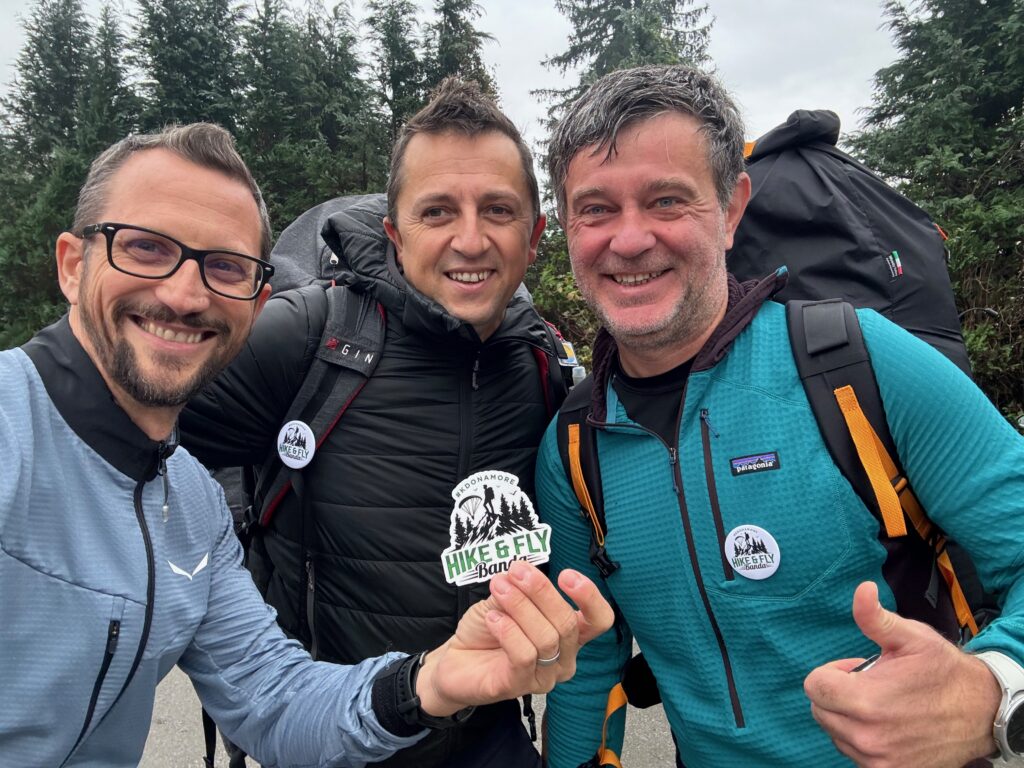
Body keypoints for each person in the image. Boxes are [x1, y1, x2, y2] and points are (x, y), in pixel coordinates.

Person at [0, 122, 614, 768]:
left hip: (464, 730)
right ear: (72, 264)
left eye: (224, 266)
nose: (183, 295)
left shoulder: (191, 507)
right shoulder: (313, 338)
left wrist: (428, 682)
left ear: (254, 300)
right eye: (146, 248)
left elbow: (270, 697)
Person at [535, 64, 1024, 768]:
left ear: (731, 209)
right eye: (596, 209)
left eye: (667, 200)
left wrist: (992, 690)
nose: (631, 239)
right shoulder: (574, 445)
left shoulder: (858, 362)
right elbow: (587, 668)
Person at [179, 80, 566, 767]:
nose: (469, 239)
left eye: (498, 210)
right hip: (330, 734)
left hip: (491, 734)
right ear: (394, 233)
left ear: (533, 236)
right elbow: (126, 430)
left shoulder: (541, 363)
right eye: (437, 211)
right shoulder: (310, 335)